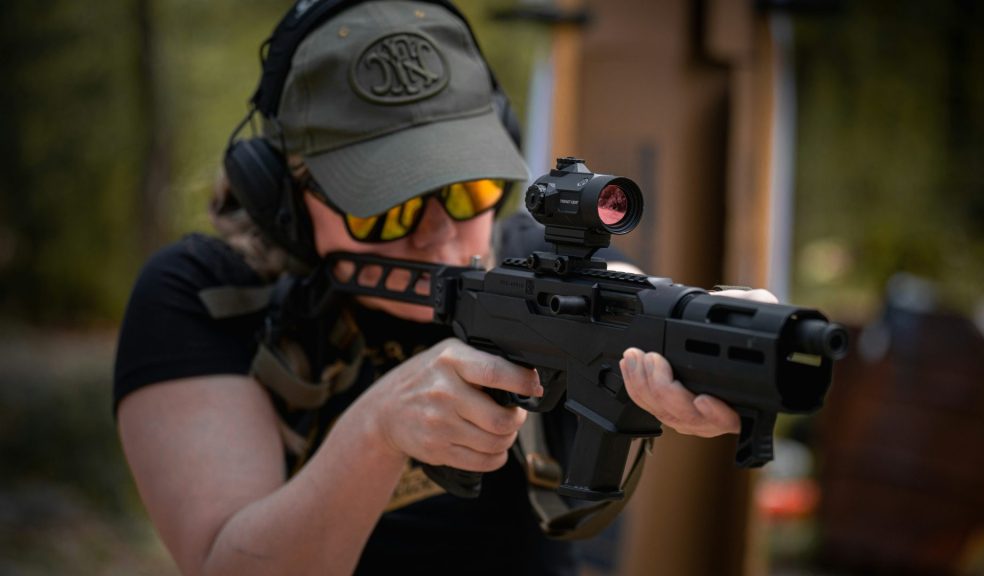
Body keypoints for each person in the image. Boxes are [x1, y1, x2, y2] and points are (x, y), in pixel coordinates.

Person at [114, 1, 775, 574]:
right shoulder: (206, 295)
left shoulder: (530, 267)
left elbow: (634, 305)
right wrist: (376, 430)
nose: (435, 235)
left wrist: (716, 335)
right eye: (384, 204)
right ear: (282, 197)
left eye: (467, 189)